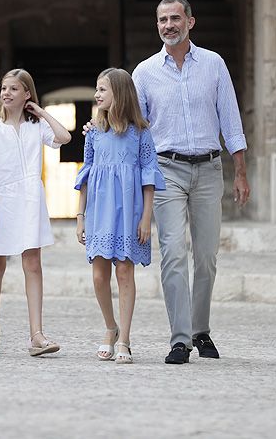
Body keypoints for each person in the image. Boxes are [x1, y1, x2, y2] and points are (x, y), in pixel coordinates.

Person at [132, 0, 251, 364]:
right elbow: (136, 130)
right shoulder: (144, 72)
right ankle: (180, 339)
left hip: (209, 169)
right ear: (157, 26)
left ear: (190, 22)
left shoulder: (213, 64)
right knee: (173, 253)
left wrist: (241, 171)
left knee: (207, 255)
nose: (169, 25)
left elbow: (230, 120)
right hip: (167, 170)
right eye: (162, 19)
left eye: (175, 18)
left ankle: (201, 330)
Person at [0, 69, 71, 357]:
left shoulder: (36, 125)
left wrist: (40, 111)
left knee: (33, 263)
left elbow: (64, 137)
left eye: (14, 88)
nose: (6, 93)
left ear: (26, 94)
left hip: (29, 201)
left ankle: (37, 334)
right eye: (4, 88)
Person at [75, 68, 165, 364]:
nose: (97, 94)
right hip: (99, 212)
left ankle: (124, 339)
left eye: (102, 89)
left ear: (120, 93)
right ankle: (110, 327)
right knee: (100, 275)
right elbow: (85, 176)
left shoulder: (141, 134)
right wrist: (79, 216)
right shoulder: (93, 135)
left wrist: (146, 219)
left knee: (124, 272)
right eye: (97, 89)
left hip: (129, 212)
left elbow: (149, 178)